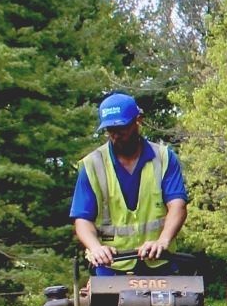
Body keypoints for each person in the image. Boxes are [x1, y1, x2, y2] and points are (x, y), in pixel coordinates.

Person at [70, 92, 188, 269]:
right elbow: (82, 218)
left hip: (159, 261)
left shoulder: (164, 158)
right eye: (110, 130)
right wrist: (96, 248)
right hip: (111, 266)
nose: (116, 135)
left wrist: (162, 241)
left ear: (138, 121)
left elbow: (177, 205)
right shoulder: (92, 165)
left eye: (122, 128)